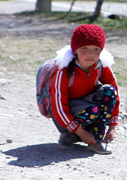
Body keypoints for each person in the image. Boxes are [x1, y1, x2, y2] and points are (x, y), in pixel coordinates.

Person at [49, 24, 120, 155]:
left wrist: (112, 127)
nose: (90, 54)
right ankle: (68, 134)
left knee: (109, 90)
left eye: (96, 49)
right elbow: (58, 107)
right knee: (93, 110)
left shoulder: (101, 66)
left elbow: (114, 94)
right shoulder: (64, 70)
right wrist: (81, 133)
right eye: (85, 48)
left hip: (89, 106)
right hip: (65, 114)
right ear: (75, 50)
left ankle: (96, 140)